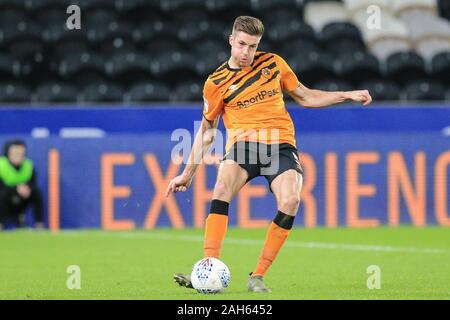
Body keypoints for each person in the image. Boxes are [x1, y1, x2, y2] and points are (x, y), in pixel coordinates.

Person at [166, 16, 372, 292]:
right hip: (244, 146)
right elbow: (207, 131)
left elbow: (306, 96)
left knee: (291, 199)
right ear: (231, 40)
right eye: (241, 44)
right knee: (222, 186)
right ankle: (208, 269)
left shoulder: (273, 64)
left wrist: (347, 95)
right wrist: (187, 173)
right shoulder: (215, 82)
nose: (246, 53)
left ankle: (257, 276)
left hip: (280, 144)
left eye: (252, 46)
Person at [0, 140, 44, 230]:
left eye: (21, 153)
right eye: (15, 153)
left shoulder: (28, 165)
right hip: (5, 197)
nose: (18, 155)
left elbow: (33, 182)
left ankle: (39, 224)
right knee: (3, 195)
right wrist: (16, 189)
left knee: (36, 193)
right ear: (8, 152)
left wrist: (27, 188)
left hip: (21, 198)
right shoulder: (1, 164)